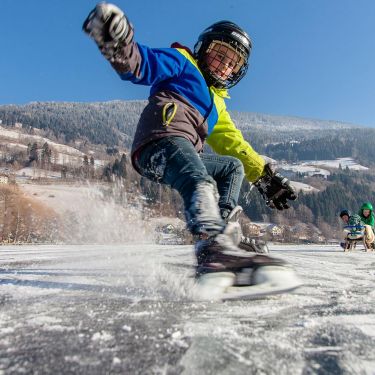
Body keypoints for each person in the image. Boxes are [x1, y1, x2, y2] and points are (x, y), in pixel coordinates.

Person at [82, 3, 298, 291]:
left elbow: (234, 144)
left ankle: (219, 239)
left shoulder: (216, 106)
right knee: (201, 181)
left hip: (184, 154)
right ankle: (214, 248)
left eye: (232, 63)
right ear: (204, 49)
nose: (224, 64)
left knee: (231, 168)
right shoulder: (183, 61)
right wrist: (120, 43)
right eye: (220, 55)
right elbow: (141, 64)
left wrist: (263, 175)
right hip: (160, 141)